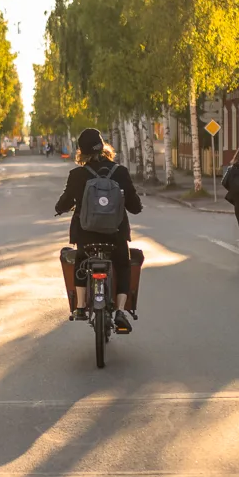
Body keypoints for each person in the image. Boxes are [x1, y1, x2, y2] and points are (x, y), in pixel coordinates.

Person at [54, 128, 143, 333]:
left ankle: (80, 307)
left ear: (81, 152)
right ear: (104, 147)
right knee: (122, 264)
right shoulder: (120, 171)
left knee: (80, 260)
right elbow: (134, 206)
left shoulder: (77, 175)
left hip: (86, 235)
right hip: (116, 234)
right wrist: (136, 206)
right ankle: (120, 310)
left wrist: (60, 209)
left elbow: (65, 201)